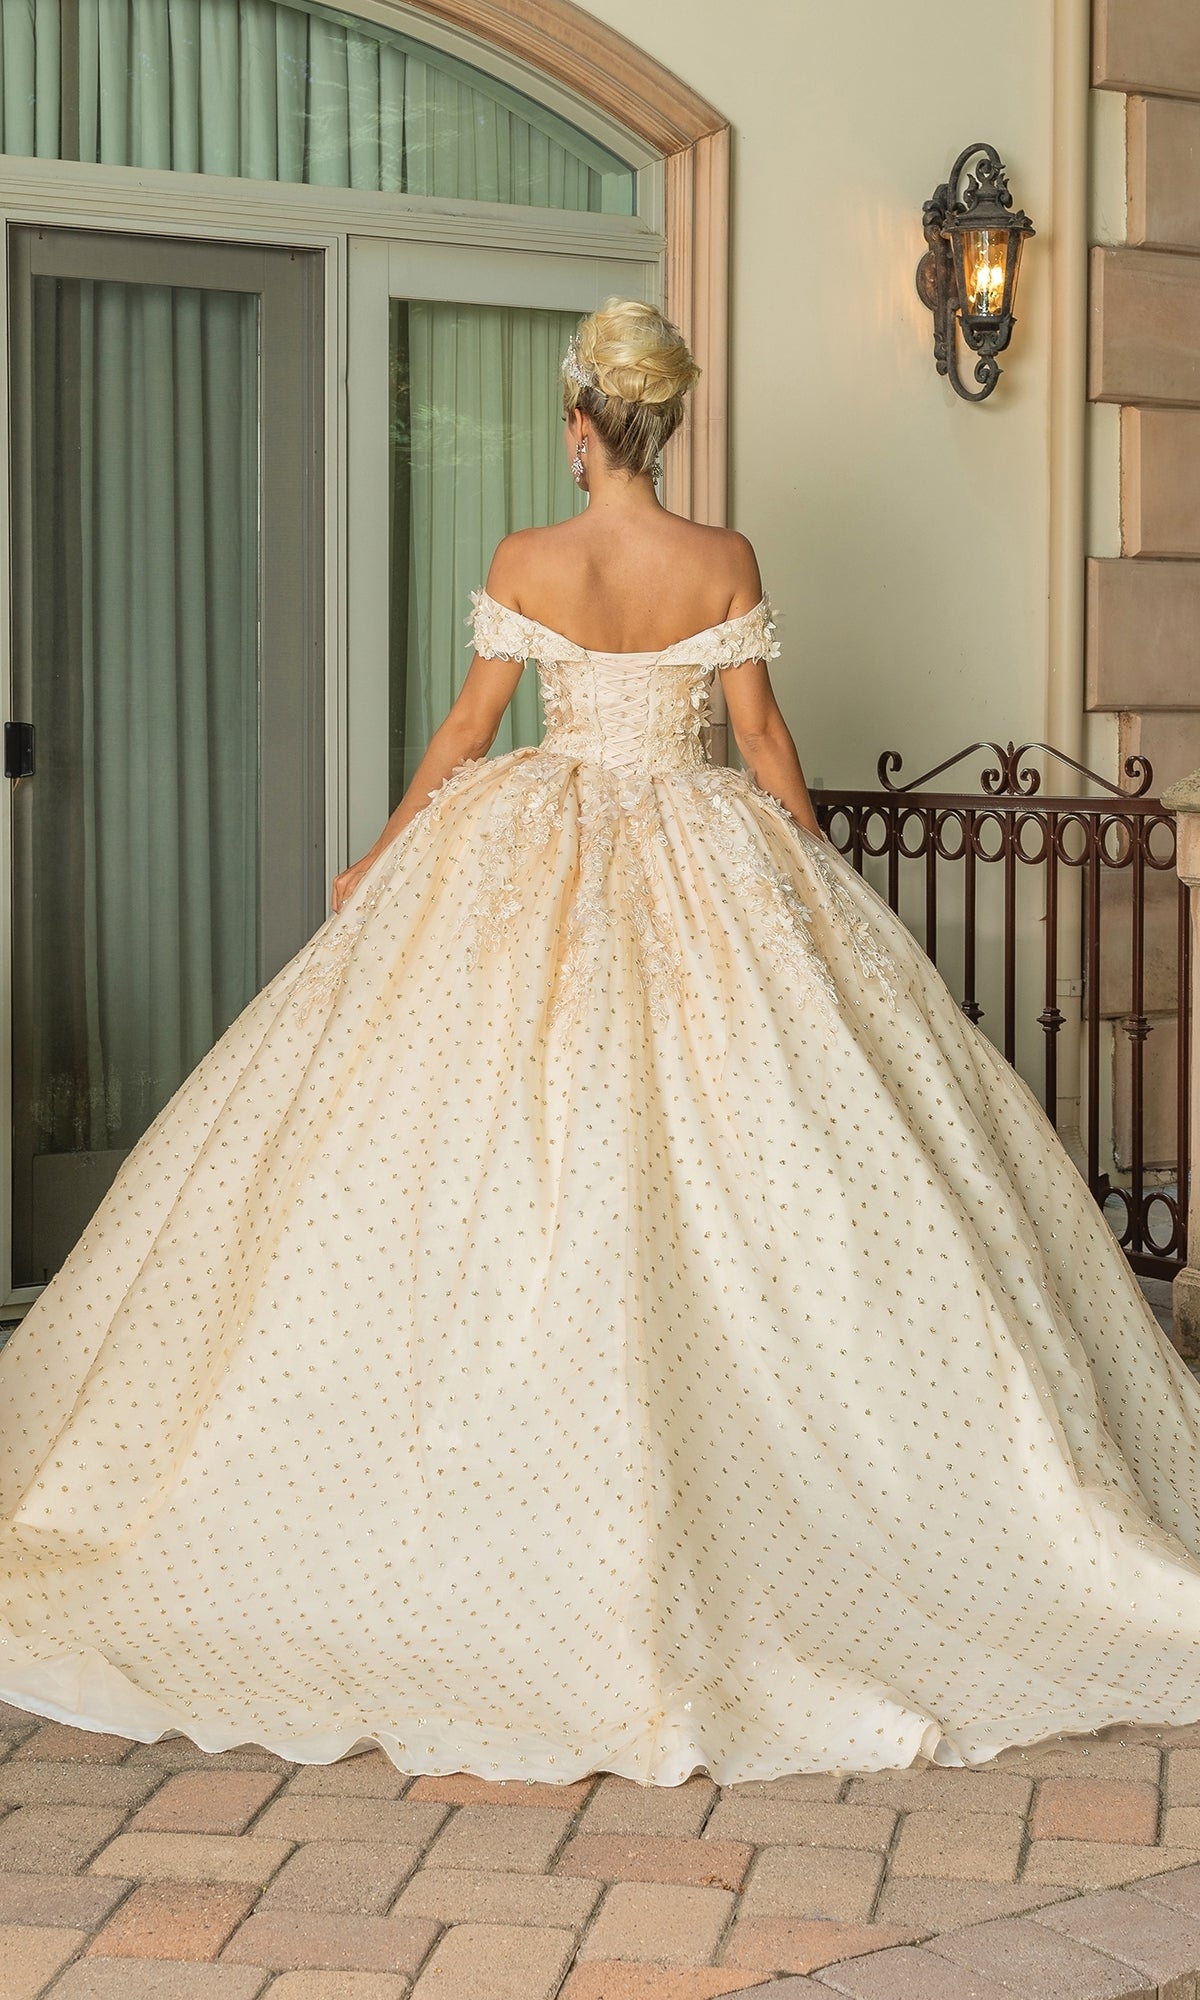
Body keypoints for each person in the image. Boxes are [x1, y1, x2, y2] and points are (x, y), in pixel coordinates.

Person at [2, 297, 1200, 1788]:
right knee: (761, 1163)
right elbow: (760, 742)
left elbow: (465, 733)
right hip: (706, 851)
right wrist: (815, 874)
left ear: (581, 426)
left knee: (482, 1140)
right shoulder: (724, 560)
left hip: (538, 839)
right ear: (663, 423)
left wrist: (382, 859)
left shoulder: (526, 558)